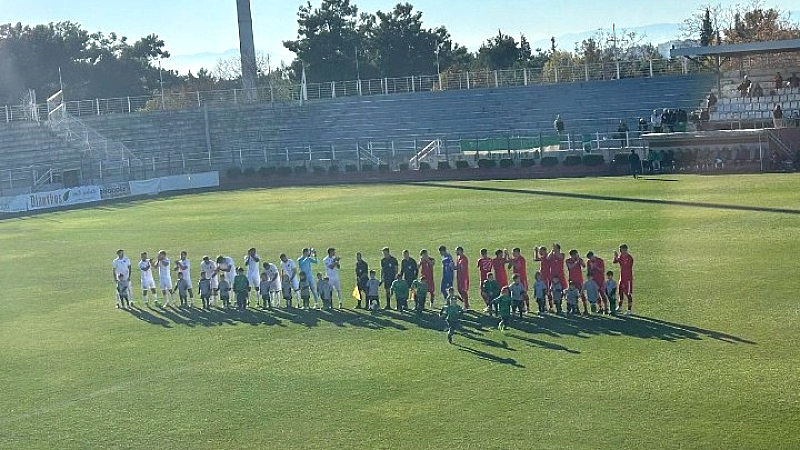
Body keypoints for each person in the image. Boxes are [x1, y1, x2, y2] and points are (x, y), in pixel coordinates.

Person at [613, 244, 635, 316]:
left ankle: (629, 310)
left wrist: (618, 259)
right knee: (620, 293)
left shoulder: (629, 258)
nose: (620, 251)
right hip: (622, 278)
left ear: (625, 250)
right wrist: (616, 257)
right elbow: (615, 262)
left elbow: (625, 265)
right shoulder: (621, 256)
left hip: (628, 279)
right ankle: (620, 307)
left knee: (628, 294)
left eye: (621, 250)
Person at [566, 250, 588, 315]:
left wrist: (580, 261)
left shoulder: (579, 260)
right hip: (572, 281)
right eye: (575, 254)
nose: (576, 255)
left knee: (582, 295)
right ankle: (576, 309)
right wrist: (577, 261)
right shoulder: (568, 261)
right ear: (572, 255)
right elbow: (570, 267)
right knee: (573, 295)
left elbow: (584, 266)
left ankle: (585, 309)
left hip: (579, 280)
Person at [508, 248, 528, 312]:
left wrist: (511, 260)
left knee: (523, 293)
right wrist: (510, 261)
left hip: (522, 278)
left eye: (514, 252)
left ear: (518, 252)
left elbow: (517, 266)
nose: (513, 254)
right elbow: (509, 267)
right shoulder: (514, 259)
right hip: (516, 279)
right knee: (515, 293)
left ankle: (526, 307)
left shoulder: (521, 259)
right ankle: (517, 307)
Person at [534, 246, 552, 311]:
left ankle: (550, 306)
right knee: (543, 292)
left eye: (540, 251)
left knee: (547, 291)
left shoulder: (547, 256)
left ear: (544, 251)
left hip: (547, 276)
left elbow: (536, 259)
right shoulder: (544, 256)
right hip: (542, 276)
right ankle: (545, 306)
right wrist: (535, 251)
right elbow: (536, 259)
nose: (539, 252)